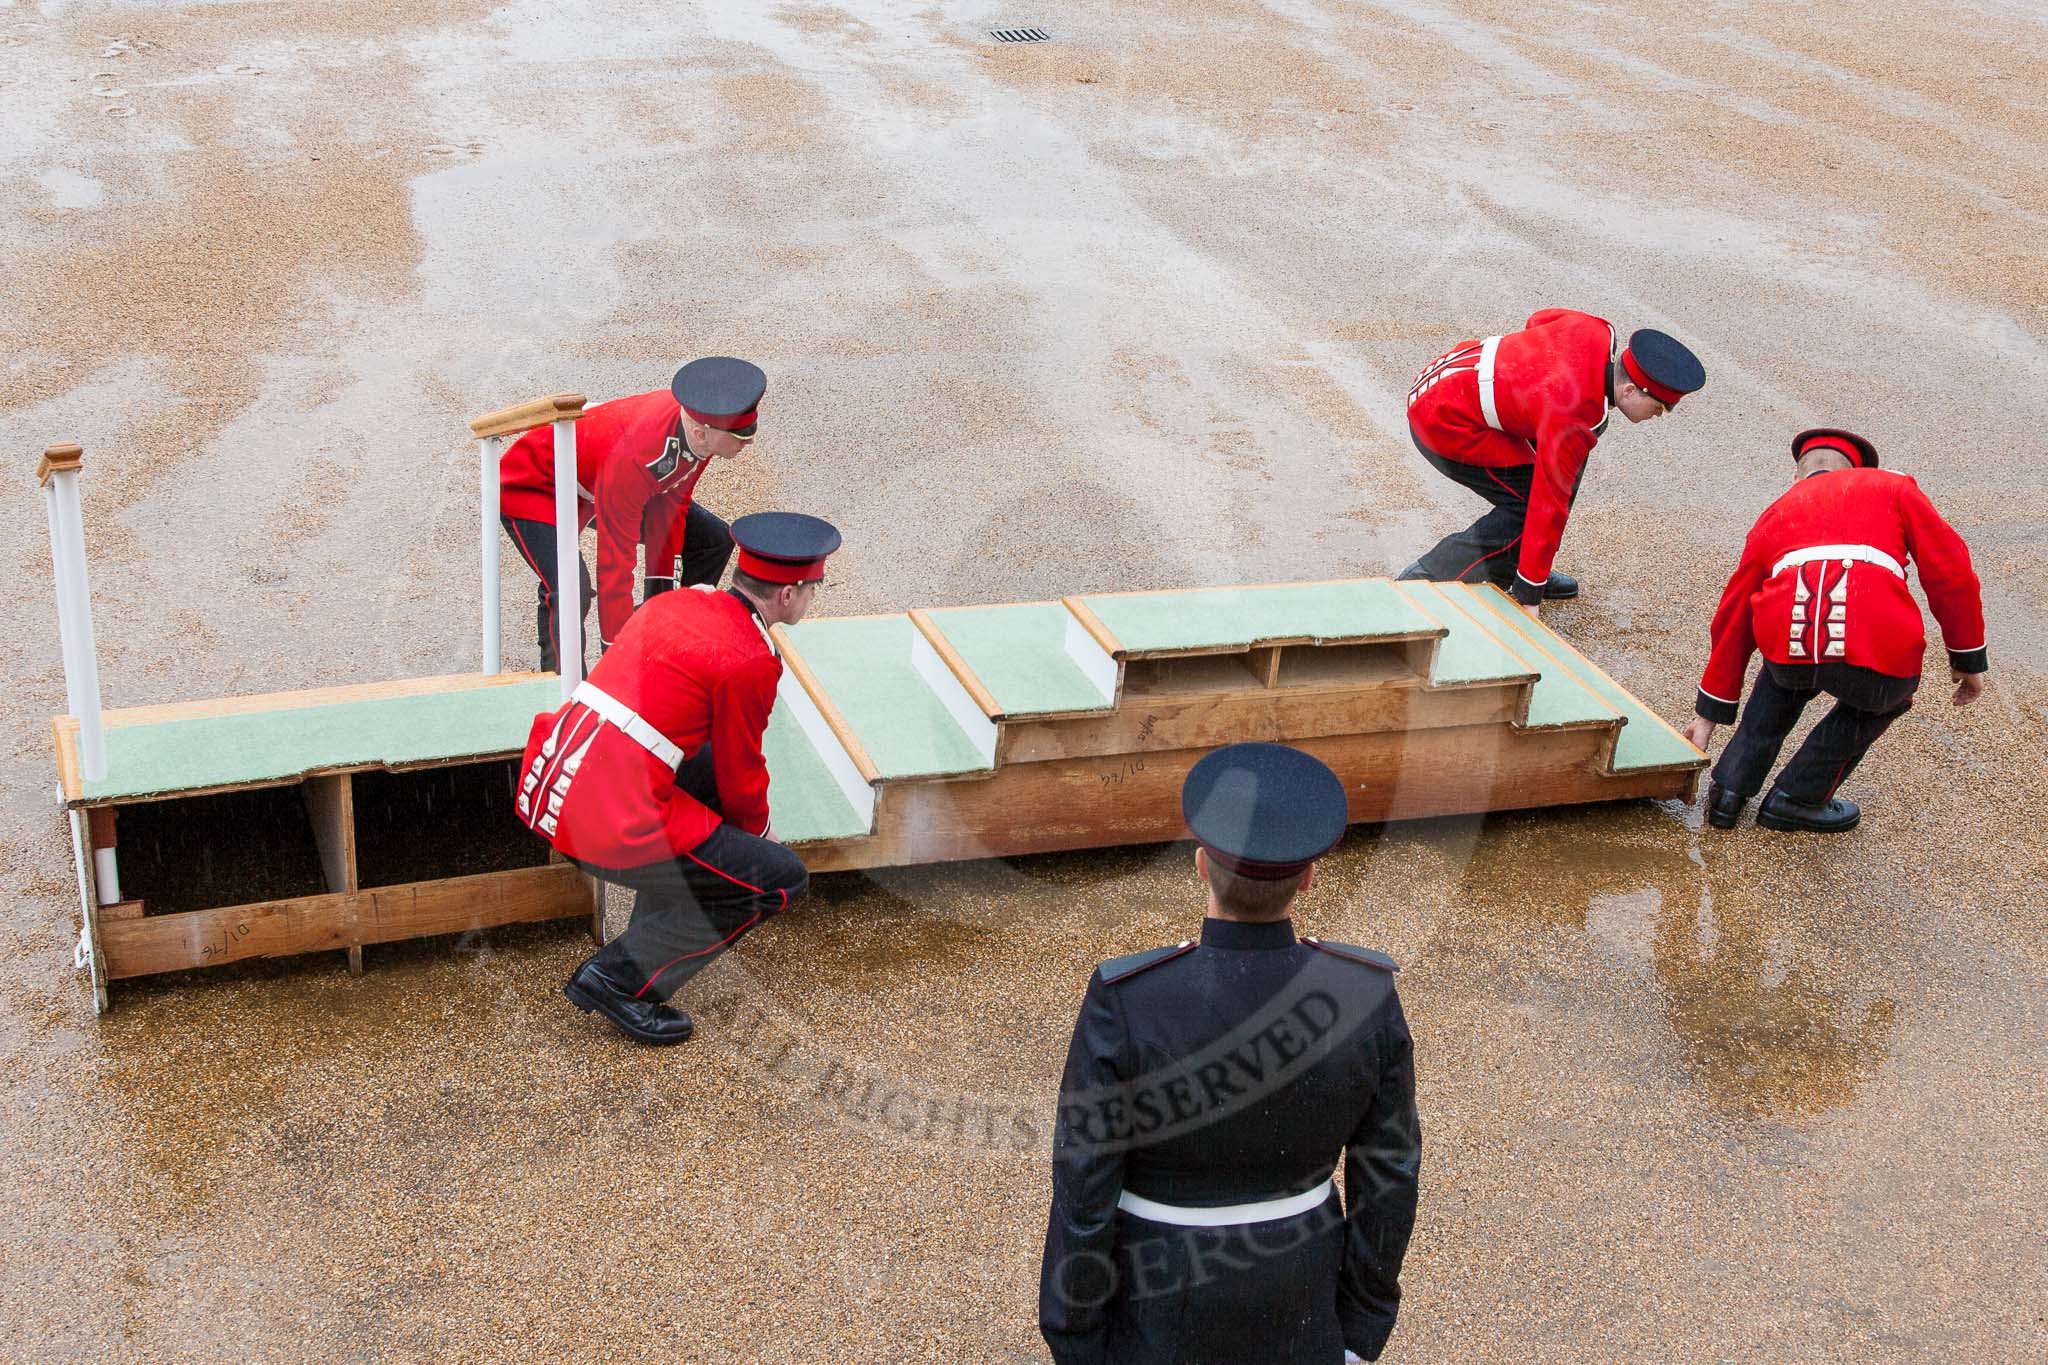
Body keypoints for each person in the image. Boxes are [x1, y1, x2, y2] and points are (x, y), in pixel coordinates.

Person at [1039, 743, 1421, 1364]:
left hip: (1154, 1299)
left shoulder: (1128, 999)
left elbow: (1085, 1187)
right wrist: (1360, 1326)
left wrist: (1075, 1335)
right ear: (1308, 877)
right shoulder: (1362, 992)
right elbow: (1390, 1177)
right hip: (1302, 1293)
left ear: (1200, 865)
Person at [514, 511, 839, 1044]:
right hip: (602, 820)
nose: (810, 599)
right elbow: (742, 771)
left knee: (705, 776)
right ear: (788, 595)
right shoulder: (750, 658)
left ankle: (647, 935)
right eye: (811, 590)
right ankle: (620, 979)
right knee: (777, 879)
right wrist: (762, 840)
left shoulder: (680, 603)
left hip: (554, 782)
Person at [1682, 428, 1988, 833]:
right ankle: (1797, 797)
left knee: (1783, 668)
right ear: (1858, 472)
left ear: (1796, 477)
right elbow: (1950, 572)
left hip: (1790, 644)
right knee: (1884, 697)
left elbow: (1735, 616)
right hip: (1874, 645)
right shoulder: (1894, 487)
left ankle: (1728, 791)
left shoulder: (1777, 511)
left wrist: (1708, 716)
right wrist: (1967, 657)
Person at [1398, 308, 1705, 613]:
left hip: (1449, 378)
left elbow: (1539, 320)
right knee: (1526, 507)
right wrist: (1530, 596)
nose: (1657, 416)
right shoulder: (1575, 417)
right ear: (1629, 390)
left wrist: (1533, 387)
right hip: (1442, 420)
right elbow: (1548, 504)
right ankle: (1425, 578)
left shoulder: (1598, 331)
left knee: (1535, 496)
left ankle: (1516, 568)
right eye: (1658, 407)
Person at [498, 356, 765, 671]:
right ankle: (562, 682)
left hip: (594, 482)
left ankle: (669, 638)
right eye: (740, 435)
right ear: (700, 432)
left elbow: (671, 511)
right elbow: (615, 562)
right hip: (535, 485)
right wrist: (619, 659)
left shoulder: (699, 426)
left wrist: (660, 604)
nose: (749, 441)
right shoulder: (637, 455)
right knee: (570, 587)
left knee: (712, 540)